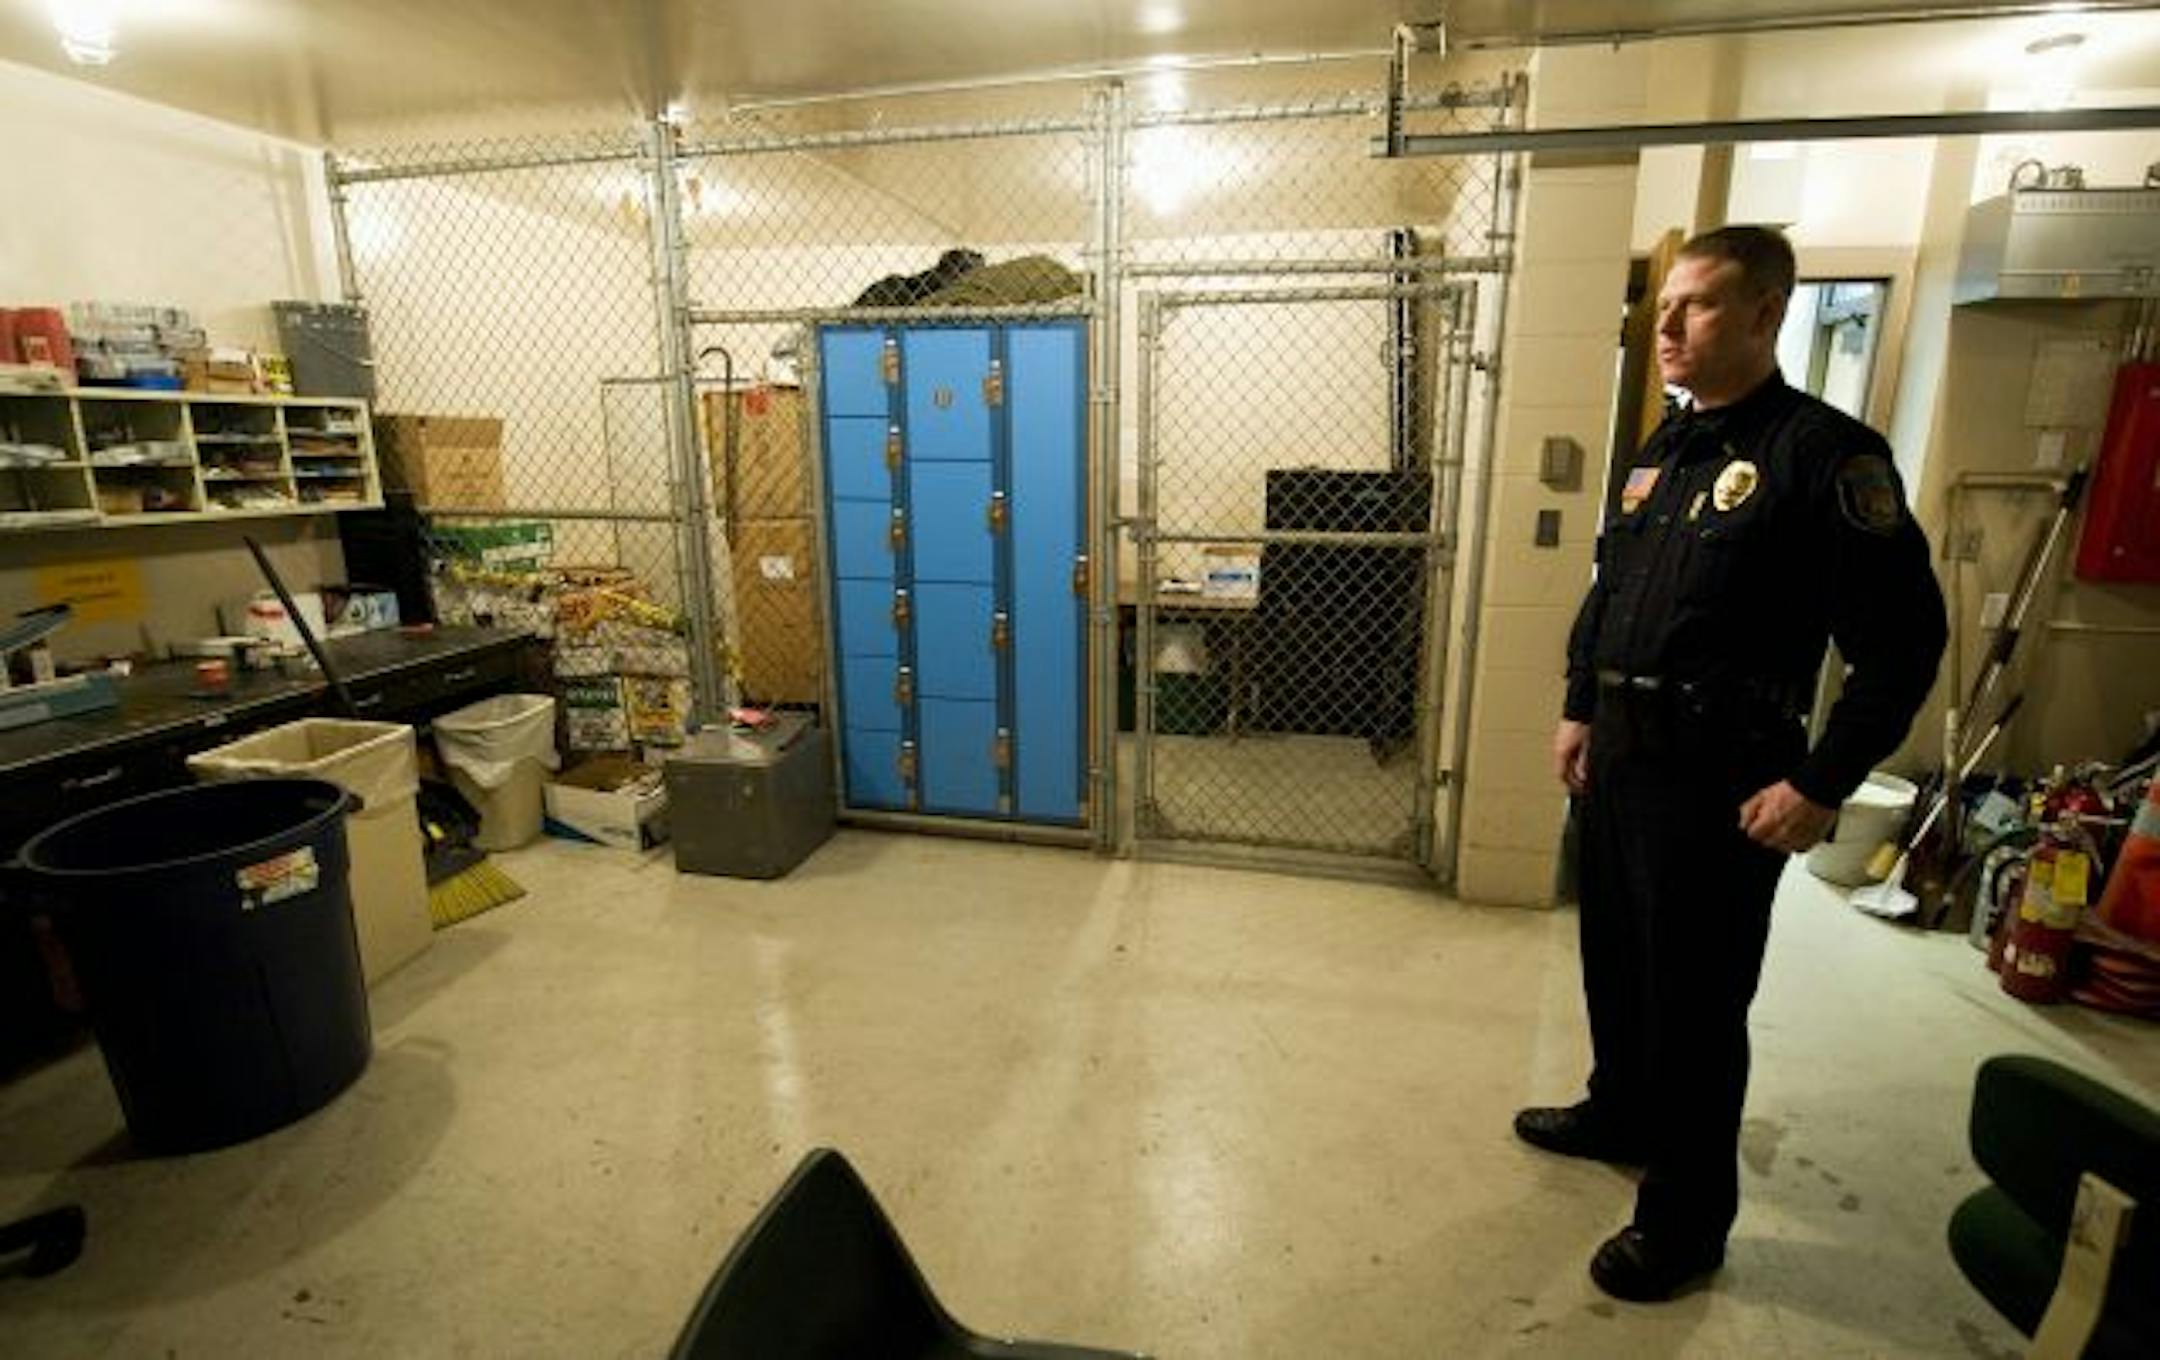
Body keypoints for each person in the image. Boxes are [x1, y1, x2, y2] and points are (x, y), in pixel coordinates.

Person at [1516, 225, 1947, 1302]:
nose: (1665, 324)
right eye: (1663, 303)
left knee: (1697, 1007)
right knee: (1616, 960)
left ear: (1765, 313)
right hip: (1624, 753)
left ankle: (1685, 1223)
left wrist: (1822, 782)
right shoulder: (1666, 447)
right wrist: (1579, 706)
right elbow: (1612, 588)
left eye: (1696, 304)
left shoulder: (1825, 457)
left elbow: (1904, 646)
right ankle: (1620, 1110)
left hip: (1723, 773)